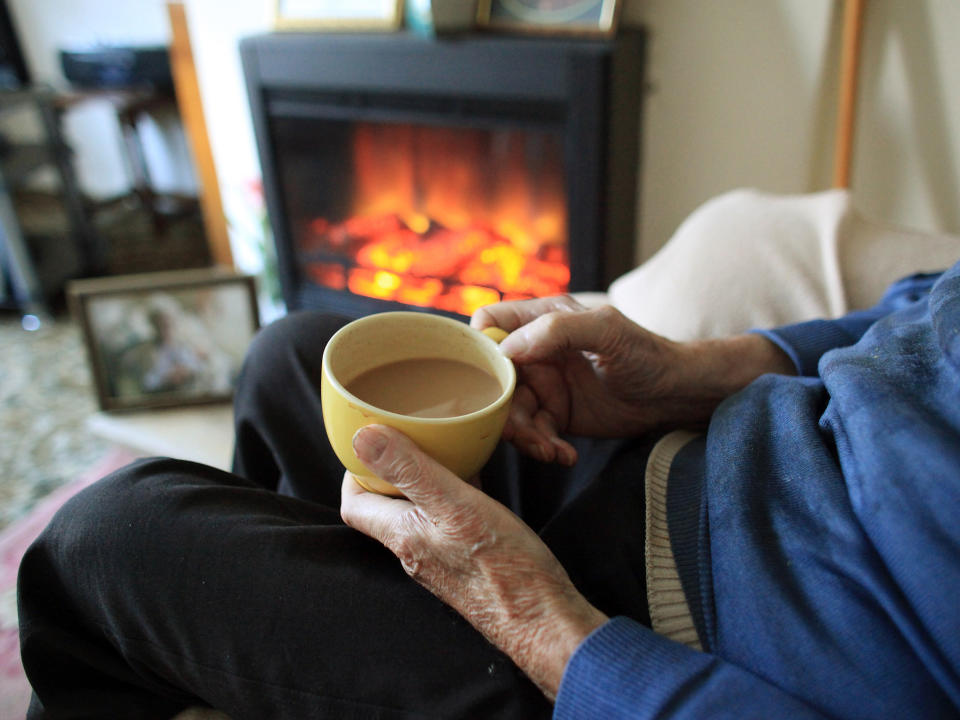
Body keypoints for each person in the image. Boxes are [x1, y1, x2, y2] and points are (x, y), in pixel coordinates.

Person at [17, 258, 960, 719]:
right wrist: (699, 371)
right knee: (290, 359)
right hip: (694, 454)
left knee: (100, 545)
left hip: (677, 651)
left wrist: (546, 628)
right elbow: (920, 310)